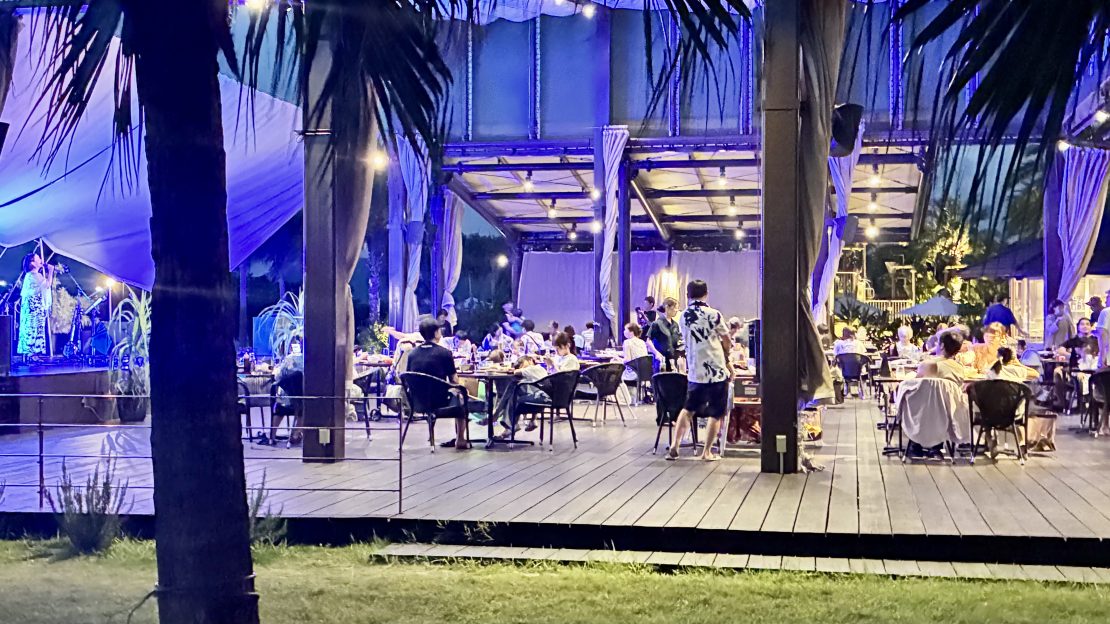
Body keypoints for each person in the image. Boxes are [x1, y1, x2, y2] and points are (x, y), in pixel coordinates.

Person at [667, 279, 731, 462]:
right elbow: (727, 340)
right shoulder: (714, 314)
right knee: (716, 413)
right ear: (706, 294)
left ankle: (675, 445)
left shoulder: (683, 316)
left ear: (687, 295)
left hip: (695, 371)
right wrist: (726, 355)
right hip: (716, 371)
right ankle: (707, 452)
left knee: (688, 409)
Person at [405, 316, 474, 450]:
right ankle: (460, 439)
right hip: (440, 402)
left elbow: (408, 377)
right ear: (436, 332)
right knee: (461, 397)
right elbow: (454, 380)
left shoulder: (412, 354)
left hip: (416, 402)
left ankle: (433, 436)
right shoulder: (444, 353)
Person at [17, 252, 56, 359]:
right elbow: (47, 285)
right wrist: (51, 271)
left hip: (32, 308)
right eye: (38, 258)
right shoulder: (34, 275)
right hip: (34, 309)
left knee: (31, 329)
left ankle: (30, 354)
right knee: (33, 329)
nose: (41, 260)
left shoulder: (31, 276)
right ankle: (32, 354)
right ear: (32, 263)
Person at [648, 297, 680, 372]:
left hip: (673, 360)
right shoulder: (657, 323)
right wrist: (656, 353)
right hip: (661, 361)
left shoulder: (675, 325)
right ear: (667, 307)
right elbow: (648, 341)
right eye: (675, 308)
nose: (677, 310)